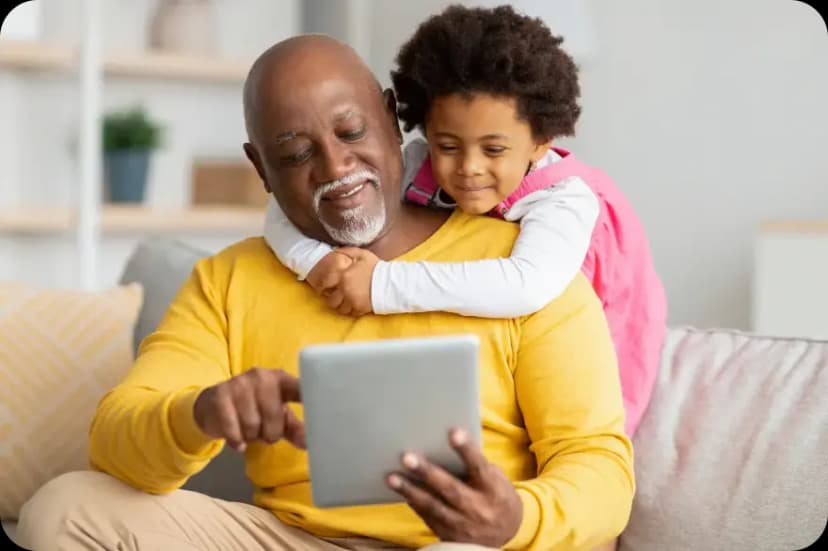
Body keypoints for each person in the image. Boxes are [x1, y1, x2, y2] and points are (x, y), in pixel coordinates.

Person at [17, 34, 633, 551]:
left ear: (393, 120)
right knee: (65, 510)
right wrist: (200, 411)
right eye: (295, 153)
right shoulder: (229, 279)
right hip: (294, 538)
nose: (336, 167)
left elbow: (601, 469)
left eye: (351, 131)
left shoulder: (522, 268)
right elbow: (117, 442)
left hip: (469, 543)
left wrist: (515, 520)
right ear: (260, 168)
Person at [263, 5, 668, 440]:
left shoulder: (564, 200)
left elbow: (524, 285)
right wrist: (313, 261)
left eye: (493, 150)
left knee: (572, 430)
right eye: (448, 145)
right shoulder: (417, 164)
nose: (468, 168)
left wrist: (381, 286)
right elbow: (282, 211)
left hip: (606, 339)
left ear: (540, 141)